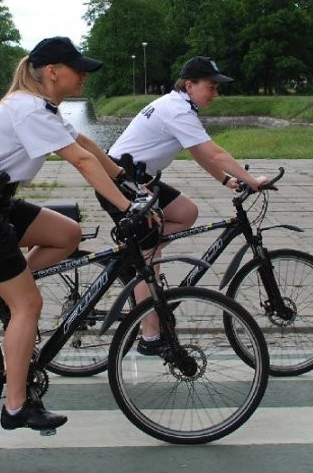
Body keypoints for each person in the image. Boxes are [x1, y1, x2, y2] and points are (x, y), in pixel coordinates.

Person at [0, 36, 135, 433]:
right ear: (52, 72)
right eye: (77, 68)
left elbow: (83, 142)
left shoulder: (40, 107)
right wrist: (126, 208)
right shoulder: (27, 109)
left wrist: (122, 177)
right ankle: (16, 406)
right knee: (29, 305)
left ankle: (3, 297)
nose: (84, 75)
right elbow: (80, 160)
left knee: (67, 234)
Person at [99, 56, 270, 354]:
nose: (215, 93)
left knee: (186, 212)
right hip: (121, 183)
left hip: (141, 180)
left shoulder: (180, 106)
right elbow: (214, 153)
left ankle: (143, 256)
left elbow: (200, 153)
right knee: (148, 258)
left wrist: (228, 181)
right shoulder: (176, 110)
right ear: (189, 84)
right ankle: (150, 336)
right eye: (211, 87)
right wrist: (251, 179)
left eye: (217, 88)